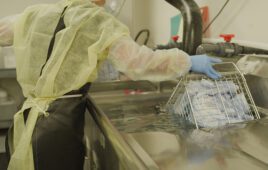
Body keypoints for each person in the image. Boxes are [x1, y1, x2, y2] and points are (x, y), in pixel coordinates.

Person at [0, 0, 222, 169]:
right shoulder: (98, 21)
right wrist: (187, 61)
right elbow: (138, 62)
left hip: (28, 115)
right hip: (59, 123)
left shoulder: (34, 14)